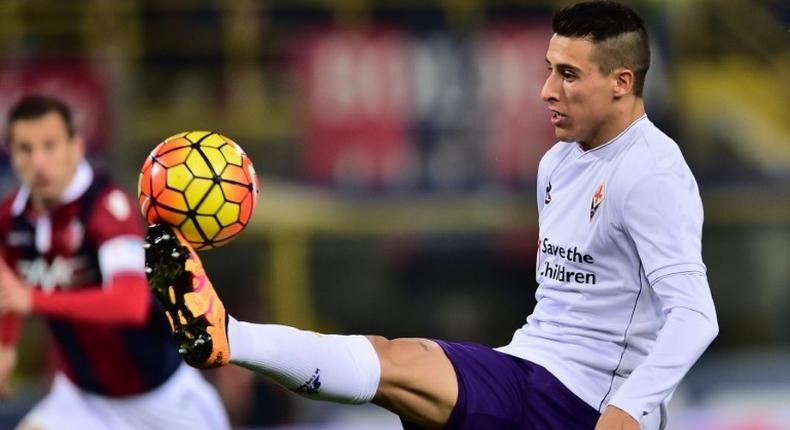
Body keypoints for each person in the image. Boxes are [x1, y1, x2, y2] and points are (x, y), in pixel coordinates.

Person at [144, 2, 719, 429]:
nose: (546, 90)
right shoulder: (558, 162)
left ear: (623, 83)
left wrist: (627, 411)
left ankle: (229, 338)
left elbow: (695, 317)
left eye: (568, 74)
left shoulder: (653, 175)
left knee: (398, 366)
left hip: (583, 400)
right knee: (397, 366)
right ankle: (228, 338)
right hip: (534, 368)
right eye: (548, 68)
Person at [0, 95, 230, 430]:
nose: (39, 161)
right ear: (12, 154)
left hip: (159, 396)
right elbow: (8, 290)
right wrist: (5, 346)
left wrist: (32, 299)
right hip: (81, 398)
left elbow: (130, 303)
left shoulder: (107, 210)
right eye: (25, 149)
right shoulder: (12, 219)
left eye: (50, 146)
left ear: (75, 147)